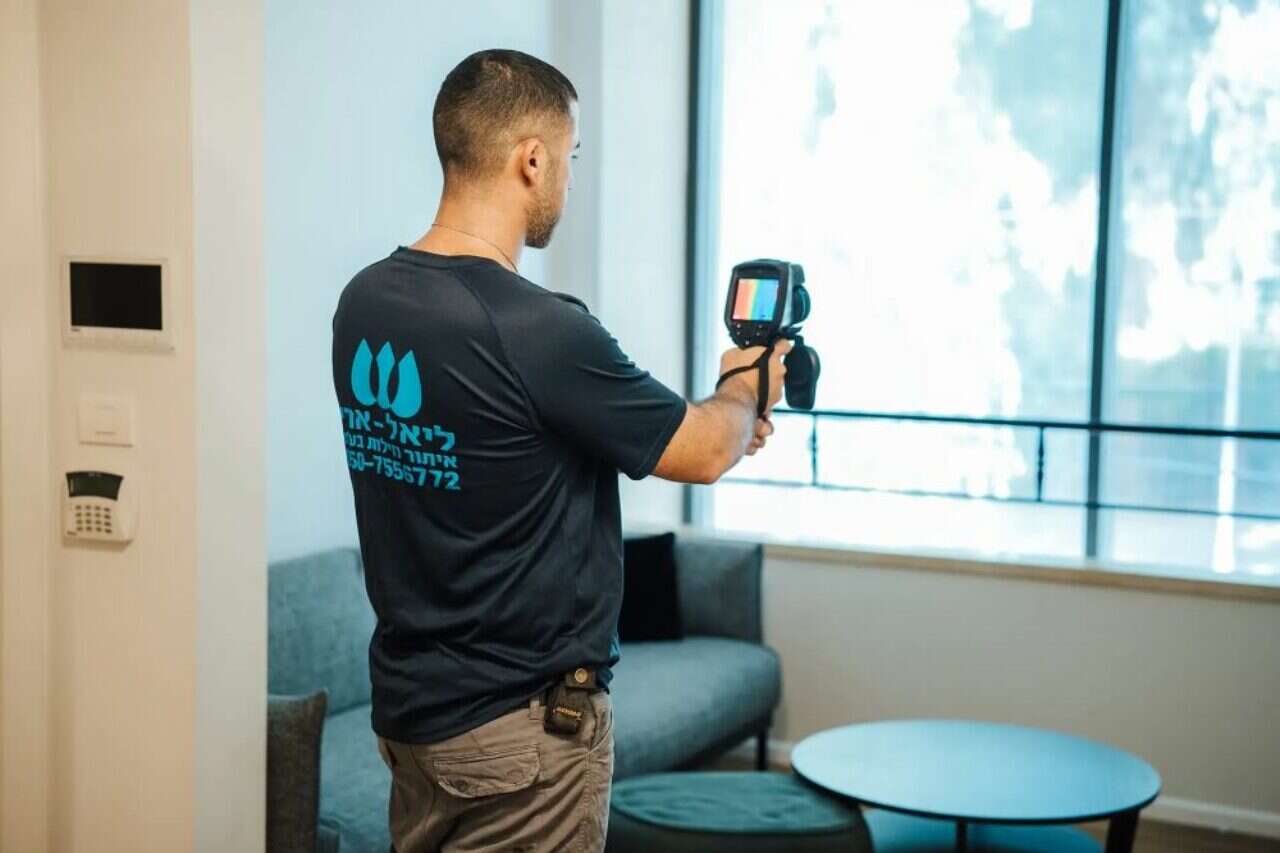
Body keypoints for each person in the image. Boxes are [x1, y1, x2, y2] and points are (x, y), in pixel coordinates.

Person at [330, 48, 789, 853]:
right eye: (571, 158)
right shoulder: (538, 328)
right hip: (519, 735)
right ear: (532, 160)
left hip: (412, 717)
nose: (571, 182)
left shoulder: (365, 302)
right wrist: (745, 383)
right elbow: (704, 451)